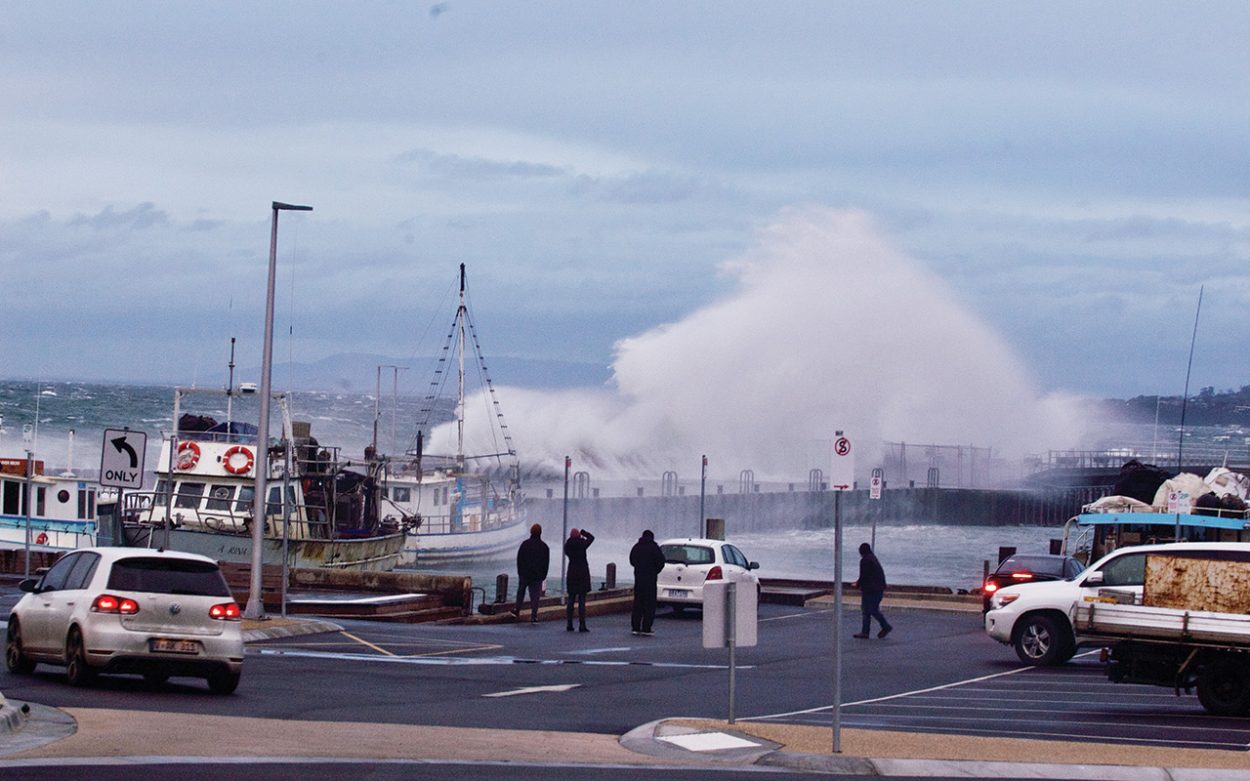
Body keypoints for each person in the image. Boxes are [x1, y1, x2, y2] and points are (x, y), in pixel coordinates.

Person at [629, 529, 666, 636]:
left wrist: (638, 568)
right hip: (650, 580)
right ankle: (646, 627)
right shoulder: (655, 548)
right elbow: (661, 562)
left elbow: (632, 560)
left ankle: (635, 627)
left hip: (639, 580)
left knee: (638, 604)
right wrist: (655, 571)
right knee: (649, 605)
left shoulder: (637, 547)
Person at [853, 542, 892, 639]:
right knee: (867, 610)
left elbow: (864, 576)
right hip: (878, 588)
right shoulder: (873, 558)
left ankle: (885, 626)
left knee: (870, 609)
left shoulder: (865, 560)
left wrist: (857, 584)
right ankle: (865, 632)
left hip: (871, 589)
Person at [512, 523, 549, 624]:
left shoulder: (525, 544)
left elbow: (519, 559)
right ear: (540, 533)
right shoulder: (544, 546)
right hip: (537, 575)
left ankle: (517, 610)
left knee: (521, 592)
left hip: (525, 573)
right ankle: (534, 616)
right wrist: (543, 575)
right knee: (535, 596)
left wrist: (520, 572)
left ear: (531, 532)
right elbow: (546, 562)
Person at [563, 527, 595, 632]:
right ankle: (582, 624)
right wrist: (583, 533)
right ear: (579, 536)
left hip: (572, 573)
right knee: (582, 600)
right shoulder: (582, 544)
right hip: (582, 573)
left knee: (571, 599)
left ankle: (569, 624)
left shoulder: (567, 546)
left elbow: (567, 549)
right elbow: (591, 537)